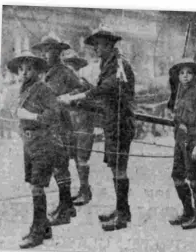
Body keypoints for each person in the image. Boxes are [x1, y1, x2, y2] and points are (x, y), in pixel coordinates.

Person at [59, 25, 135, 231]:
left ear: (109, 45)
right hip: (112, 122)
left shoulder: (118, 64)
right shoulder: (108, 63)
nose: (96, 50)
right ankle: (122, 210)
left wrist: (78, 96)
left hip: (120, 123)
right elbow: (102, 95)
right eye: (94, 47)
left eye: (99, 46)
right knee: (115, 167)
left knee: (119, 168)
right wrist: (78, 99)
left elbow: (108, 88)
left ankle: (122, 216)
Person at [7, 50, 59, 248]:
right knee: (33, 184)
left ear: (37, 70)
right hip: (29, 143)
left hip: (43, 143)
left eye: (29, 68)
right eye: (21, 69)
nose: (24, 72)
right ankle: (44, 227)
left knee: (37, 186)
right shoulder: (25, 89)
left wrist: (30, 116)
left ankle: (37, 233)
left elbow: (53, 115)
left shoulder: (43, 89)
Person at [31, 34, 82, 226]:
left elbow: (80, 89)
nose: (46, 54)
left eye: (50, 50)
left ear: (59, 52)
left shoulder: (65, 71)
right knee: (56, 165)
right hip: (48, 124)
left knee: (60, 165)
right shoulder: (46, 73)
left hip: (61, 123)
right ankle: (66, 205)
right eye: (43, 50)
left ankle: (66, 210)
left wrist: (66, 97)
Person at [167, 58, 196, 230]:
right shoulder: (180, 93)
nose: (185, 76)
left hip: (194, 142)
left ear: (194, 76)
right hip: (181, 141)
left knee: (194, 179)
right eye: (182, 73)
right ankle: (187, 212)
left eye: (189, 73)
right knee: (177, 176)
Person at [62, 49, 95, 206]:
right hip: (72, 126)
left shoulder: (83, 83)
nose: (70, 70)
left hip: (84, 125)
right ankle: (83, 190)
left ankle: (86, 192)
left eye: (73, 66)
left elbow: (91, 99)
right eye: (68, 66)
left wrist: (74, 100)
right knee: (76, 158)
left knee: (82, 158)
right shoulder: (65, 85)